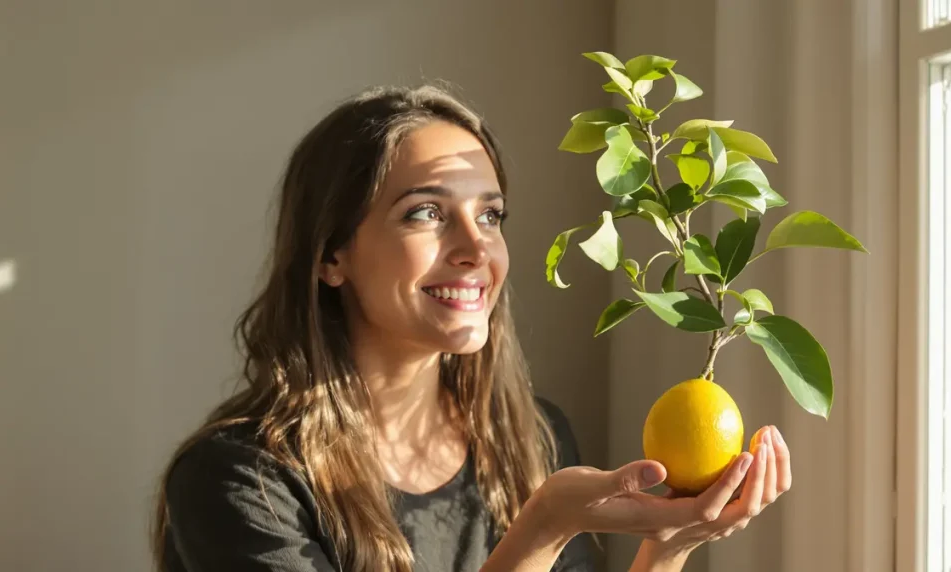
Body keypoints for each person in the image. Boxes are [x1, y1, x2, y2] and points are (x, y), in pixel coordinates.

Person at [151, 84, 791, 572]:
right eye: (426, 212)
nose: (474, 249)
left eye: (491, 216)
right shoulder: (240, 479)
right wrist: (542, 528)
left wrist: (666, 549)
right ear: (330, 255)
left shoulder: (531, 438)